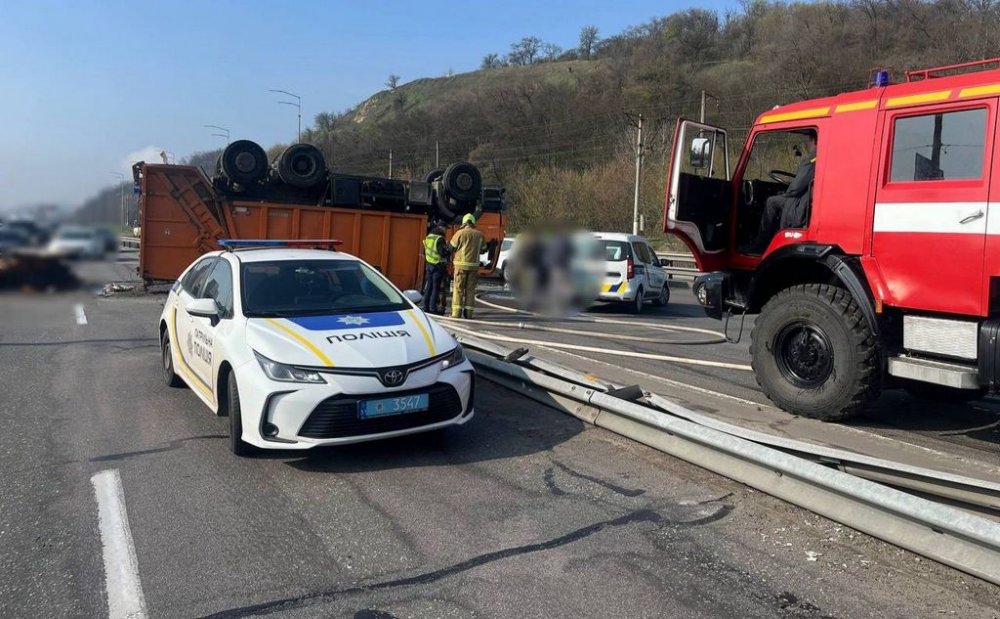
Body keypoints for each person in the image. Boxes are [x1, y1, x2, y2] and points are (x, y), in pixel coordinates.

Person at [748, 132, 817, 253]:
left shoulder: (812, 159)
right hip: (805, 199)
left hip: (801, 202)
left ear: (814, 141)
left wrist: (786, 193)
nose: (806, 144)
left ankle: (760, 243)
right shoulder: (820, 158)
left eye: (808, 141)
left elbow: (796, 187)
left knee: (771, 201)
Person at [449, 213, 485, 319]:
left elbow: (451, 247)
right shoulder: (480, 234)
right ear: (473, 222)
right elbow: (483, 250)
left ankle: (456, 314)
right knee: (470, 290)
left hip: (460, 266)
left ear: (464, 222)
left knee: (458, 289)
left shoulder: (459, 233)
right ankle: (468, 314)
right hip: (474, 267)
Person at [422, 225, 450, 315]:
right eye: (445, 228)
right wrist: (448, 249)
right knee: (435, 288)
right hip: (437, 266)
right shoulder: (440, 239)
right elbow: (442, 253)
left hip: (429, 265)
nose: (446, 230)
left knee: (429, 287)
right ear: (441, 229)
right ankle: (433, 308)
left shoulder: (429, 237)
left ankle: (425, 307)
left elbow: (426, 252)